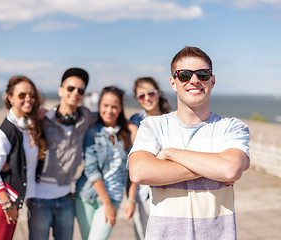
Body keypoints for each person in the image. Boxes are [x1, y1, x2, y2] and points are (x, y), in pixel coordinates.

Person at [128, 46, 250, 240]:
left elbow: (230, 169)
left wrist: (170, 154)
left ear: (212, 80)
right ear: (173, 83)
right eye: (184, 75)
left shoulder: (232, 127)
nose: (194, 80)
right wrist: (213, 168)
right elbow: (138, 171)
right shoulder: (153, 126)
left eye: (202, 74)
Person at [27, 68, 97, 240]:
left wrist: (132, 127)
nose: (75, 93)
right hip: (39, 198)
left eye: (81, 91)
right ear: (60, 90)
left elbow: (109, 116)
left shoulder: (86, 117)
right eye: (70, 88)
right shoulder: (43, 119)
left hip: (67, 198)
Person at [0, 75, 45, 240]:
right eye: (21, 95)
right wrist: (6, 204)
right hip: (3, 202)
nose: (28, 99)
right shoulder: (5, 131)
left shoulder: (26, 124)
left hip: (13, 200)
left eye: (32, 95)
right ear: (10, 97)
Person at [75, 86, 138, 240]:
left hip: (114, 197)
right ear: (99, 106)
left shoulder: (127, 134)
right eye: (105, 106)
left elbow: (134, 169)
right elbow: (91, 169)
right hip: (87, 196)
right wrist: (107, 204)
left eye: (114, 106)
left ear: (120, 108)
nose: (109, 110)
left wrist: (131, 200)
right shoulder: (92, 131)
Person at [129, 77, 171, 240]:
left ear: (158, 93)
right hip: (142, 191)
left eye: (151, 93)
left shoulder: (172, 120)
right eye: (141, 95)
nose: (147, 98)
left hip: (167, 188)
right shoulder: (135, 121)